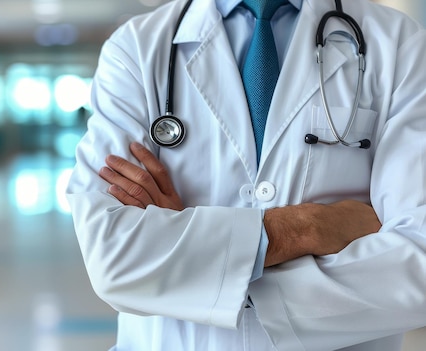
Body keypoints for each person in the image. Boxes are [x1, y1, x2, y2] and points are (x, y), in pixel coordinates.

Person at [66, 0, 426, 349]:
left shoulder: (397, 44)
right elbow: (115, 257)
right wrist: (308, 228)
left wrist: (201, 259)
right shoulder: (137, 48)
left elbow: (418, 263)